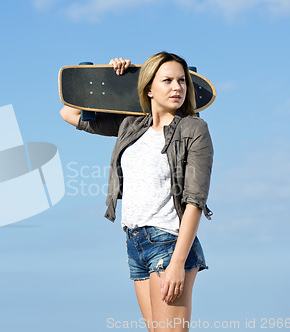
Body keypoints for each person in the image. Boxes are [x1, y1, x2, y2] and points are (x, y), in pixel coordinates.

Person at [60, 52, 213, 332]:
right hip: (136, 242)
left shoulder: (194, 129)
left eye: (182, 81)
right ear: (149, 89)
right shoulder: (131, 126)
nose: (177, 87)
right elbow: (68, 113)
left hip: (168, 241)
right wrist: (113, 78)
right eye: (167, 80)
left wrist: (178, 262)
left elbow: (195, 201)